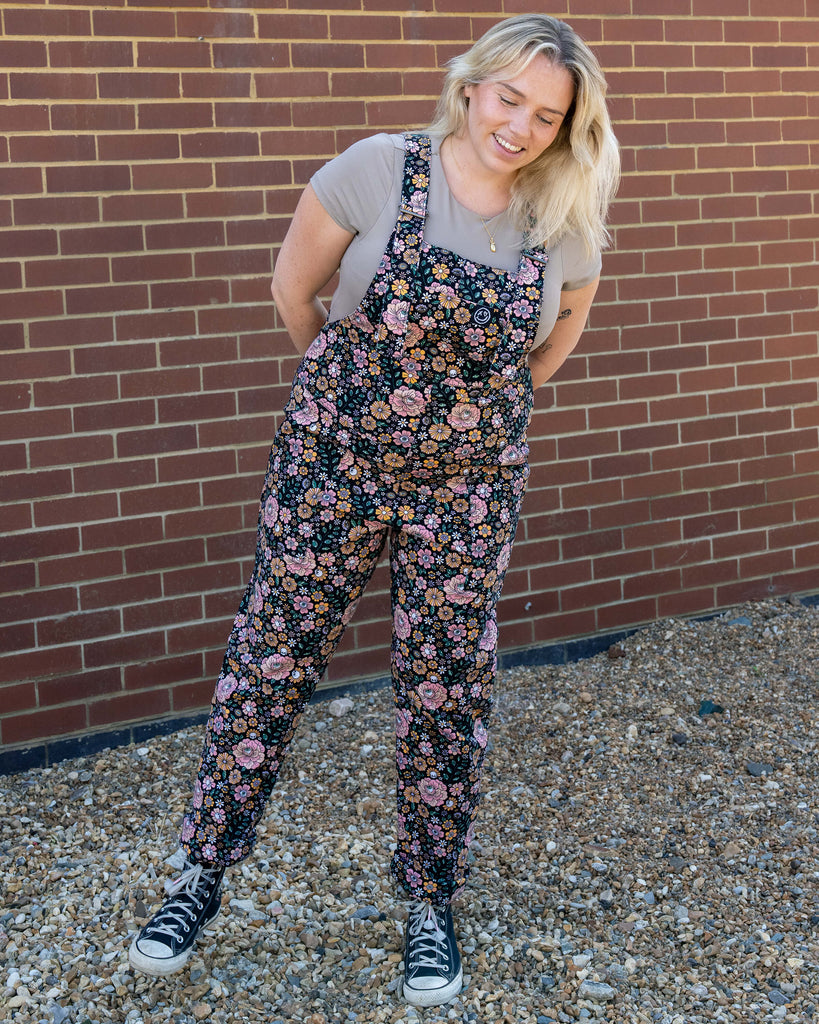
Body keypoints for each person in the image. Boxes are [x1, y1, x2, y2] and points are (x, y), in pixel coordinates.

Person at [128, 13, 619, 1008]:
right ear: (473, 86)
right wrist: (356, 399)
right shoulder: (378, 169)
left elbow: (559, 332)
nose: (520, 126)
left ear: (568, 131)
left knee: (445, 691)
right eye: (509, 98)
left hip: (467, 493)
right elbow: (294, 289)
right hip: (332, 469)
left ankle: (430, 904)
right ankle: (197, 881)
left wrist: (471, 418)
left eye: (547, 115)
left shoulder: (560, 215)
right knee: (271, 663)